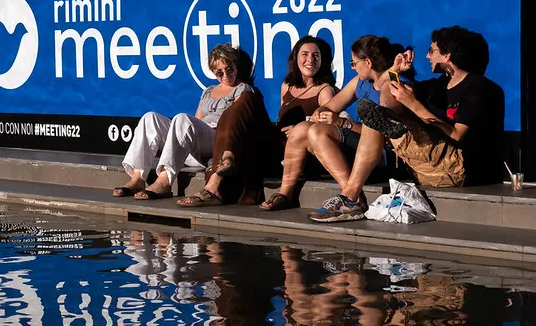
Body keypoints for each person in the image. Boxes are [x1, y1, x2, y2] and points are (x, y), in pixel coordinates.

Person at [307, 26, 505, 223]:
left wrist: (413, 104)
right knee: (377, 114)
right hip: (429, 165)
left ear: (447, 56)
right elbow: (388, 88)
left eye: (431, 51)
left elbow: (457, 136)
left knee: (376, 118)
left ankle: (351, 198)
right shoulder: (436, 87)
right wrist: (395, 70)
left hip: (460, 169)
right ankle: (352, 193)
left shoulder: (481, 88)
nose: (427, 56)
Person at [176, 35, 336, 207]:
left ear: (323, 60)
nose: (310, 60)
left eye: (316, 55)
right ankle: (226, 160)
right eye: (305, 54)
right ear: (296, 58)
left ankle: (216, 181)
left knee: (247, 97)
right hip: (274, 141)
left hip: (291, 151)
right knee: (239, 109)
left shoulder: (325, 90)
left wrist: (300, 128)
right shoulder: (287, 86)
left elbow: (326, 127)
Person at [260, 35, 408, 211]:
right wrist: (321, 114)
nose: (352, 67)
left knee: (317, 132)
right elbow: (328, 108)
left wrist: (343, 123)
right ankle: (286, 193)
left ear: (368, 62)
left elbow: (385, 136)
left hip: (385, 156)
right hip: (361, 151)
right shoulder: (359, 83)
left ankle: (351, 196)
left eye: (354, 63)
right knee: (302, 129)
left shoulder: (392, 88)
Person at [112, 43, 253, 200]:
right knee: (150, 118)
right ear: (213, 72)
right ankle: (138, 177)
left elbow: (238, 123)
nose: (225, 75)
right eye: (220, 72)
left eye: (229, 70)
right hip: (195, 145)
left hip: (217, 141)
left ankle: (164, 181)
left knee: (182, 119)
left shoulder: (243, 89)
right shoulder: (208, 91)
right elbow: (197, 120)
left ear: (236, 67)